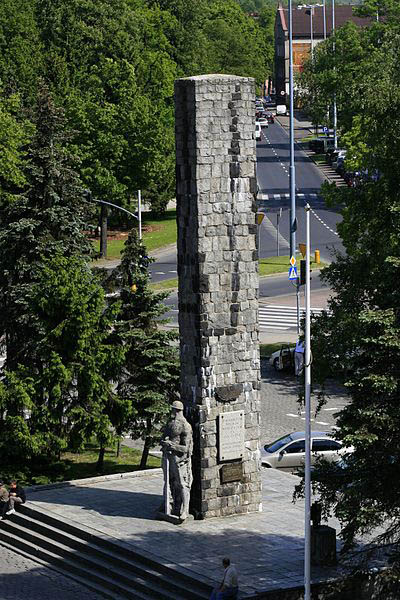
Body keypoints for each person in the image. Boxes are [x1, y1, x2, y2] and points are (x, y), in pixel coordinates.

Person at [161, 398, 193, 521]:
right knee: (168, 482)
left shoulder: (186, 426)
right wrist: (164, 442)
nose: (171, 411)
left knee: (182, 484)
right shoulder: (170, 423)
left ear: (178, 410)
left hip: (179, 459)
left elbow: (185, 448)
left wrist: (172, 445)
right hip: (168, 457)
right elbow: (163, 437)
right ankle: (167, 504)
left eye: (173, 409)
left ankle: (185, 509)